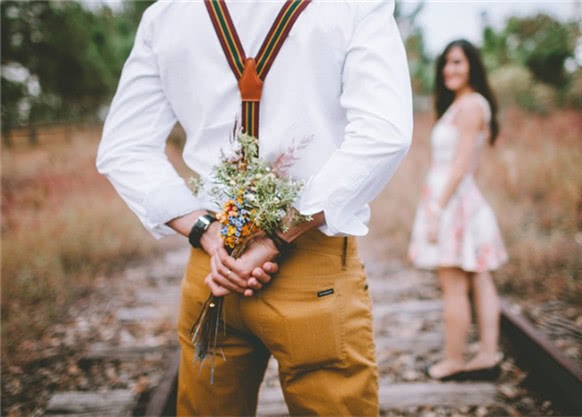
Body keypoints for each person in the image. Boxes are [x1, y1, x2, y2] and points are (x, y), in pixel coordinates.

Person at [97, 1, 412, 415]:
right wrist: (279, 234)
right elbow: (384, 134)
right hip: (310, 265)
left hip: (214, 268)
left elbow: (124, 147)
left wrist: (206, 231)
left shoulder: (167, 14)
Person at [408, 39, 508, 381]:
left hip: (452, 203)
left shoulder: (469, 107)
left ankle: (454, 360)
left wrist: (437, 208)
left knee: (453, 285)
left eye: (457, 62)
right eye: (446, 64)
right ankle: (486, 355)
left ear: (472, 66)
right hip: (461, 199)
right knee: (479, 278)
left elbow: (462, 163)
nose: (450, 70)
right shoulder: (467, 104)